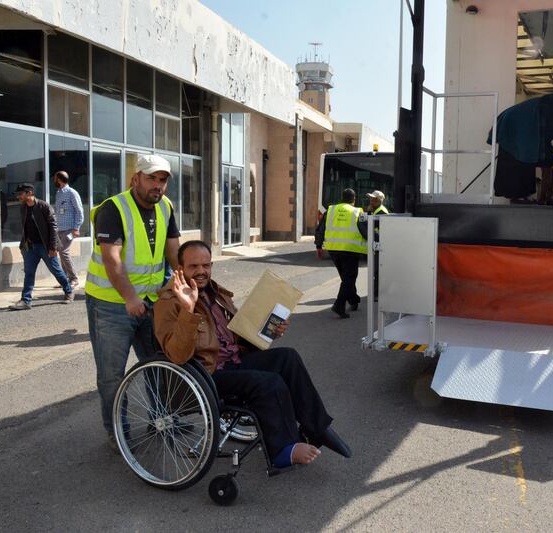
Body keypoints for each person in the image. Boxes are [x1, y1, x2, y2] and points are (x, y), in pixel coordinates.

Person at [154, 240, 351, 467]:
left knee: (288, 357)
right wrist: (188, 309)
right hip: (207, 374)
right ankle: (282, 449)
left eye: (206, 265)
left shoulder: (216, 293)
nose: (201, 271)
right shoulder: (168, 302)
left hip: (234, 360)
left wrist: (270, 331)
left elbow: (237, 337)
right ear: (179, 268)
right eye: (193, 266)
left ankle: (317, 427)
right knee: (269, 382)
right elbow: (177, 355)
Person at [85, 154, 180, 450]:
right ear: (135, 177)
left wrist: (181, 285)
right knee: (112, 374)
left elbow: (174, 253)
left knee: (158, 365)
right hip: (111, 304)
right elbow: (113, 261)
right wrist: (129, 298)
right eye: (152, 178)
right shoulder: (112, 209)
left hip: (151, 302)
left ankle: (161, 419)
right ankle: (117, 431)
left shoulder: (166, 207)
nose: (158, 185)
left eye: (163, 180)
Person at [487, 93, 553, 203]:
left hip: (511, 123)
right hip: (512, 126)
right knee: (522, 158)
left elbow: (543, 141)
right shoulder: (552, 111)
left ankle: (521, 196)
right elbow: (544, 141)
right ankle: (519, 197)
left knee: (525, 157)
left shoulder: (552, 104)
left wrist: (551, 161)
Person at [9, 184, 74, 310]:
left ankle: (68, 291)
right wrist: (23, 245)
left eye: (20, 194)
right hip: (30, 247)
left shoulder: (43, 206)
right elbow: (25, 227)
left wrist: (53, 247)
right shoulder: (23, 208)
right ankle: (26, 300)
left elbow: (53, 227)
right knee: (29, 273)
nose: (18, 197)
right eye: (17, 194)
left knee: (56, 271)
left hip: (46, 246)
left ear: (29, 193)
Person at [314, 188, 367, 319]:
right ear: (354, 199)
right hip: (350, 250)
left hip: (333, 249)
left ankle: (354, 300)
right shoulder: (357, 212)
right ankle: (339, 305)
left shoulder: (331, 210)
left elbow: (321, 228)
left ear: (341, 198)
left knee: (346, 278)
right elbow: (365, 232)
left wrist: (318, 245)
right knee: (349, 278)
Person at [52, 171, 84, 288]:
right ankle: (64, 279)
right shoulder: (59, 193)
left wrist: (76, 228)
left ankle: (74, 278)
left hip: (69, 230)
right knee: (61, 253)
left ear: (59, 179)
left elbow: (79, 211)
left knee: (64, 253)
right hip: (59, 229)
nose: (53, 180)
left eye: (55, 178)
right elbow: (58, 210)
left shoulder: (72, 193)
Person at [365, 190, 388, 300]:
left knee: (378, 271)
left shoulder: (381, 212)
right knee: (376, 271)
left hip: (381, 245)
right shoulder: (375, 210)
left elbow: (371, 226)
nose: (371, 200)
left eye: (373, 199)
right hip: (377, 245)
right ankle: (376, 293)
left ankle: (376, 294)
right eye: (370, 198)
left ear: (379, 201)